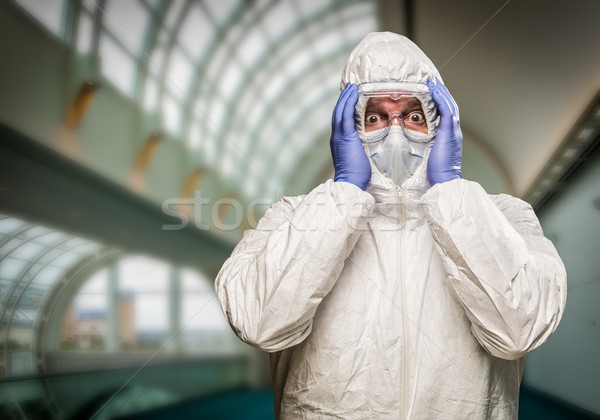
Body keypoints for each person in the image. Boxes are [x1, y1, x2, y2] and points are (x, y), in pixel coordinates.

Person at [215, 32, 566, 419]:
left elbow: (521, 330)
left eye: (414, 116)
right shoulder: (291, 217)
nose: (395, 132)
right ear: (348, 127)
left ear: (441, 125)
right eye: (375, 116)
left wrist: (451, 191)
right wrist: (345, 192)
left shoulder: (505, 217)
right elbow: (259, 323)